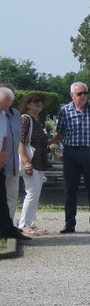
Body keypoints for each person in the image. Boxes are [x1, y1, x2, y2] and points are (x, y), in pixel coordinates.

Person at [49, 81, 90, 234]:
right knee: (70, 189)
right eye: (79, 93)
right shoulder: (64, 110)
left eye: (85, 93)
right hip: (71, 153)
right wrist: (52, 143)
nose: (83, 96)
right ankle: (69, 224)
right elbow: (60, 133)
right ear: (72, 95)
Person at [17, 92, 50, 236]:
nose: (38, 103)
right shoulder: (26, 119)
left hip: (40, 161)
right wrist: (26, 162)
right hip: (31, 161)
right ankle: (24, 224)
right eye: (35, 101)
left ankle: (30, 223)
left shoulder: (38, 121)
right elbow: (21, 142)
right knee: (32, 192)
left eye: (40, 101)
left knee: (35, 193)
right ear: (28, 105)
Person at [0, 88, 30, 242]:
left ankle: (8, 228)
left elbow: (13, 138)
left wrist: (7, 154)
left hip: (12, 161)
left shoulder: (16, 114)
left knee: (11, 196)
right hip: (2, 162)